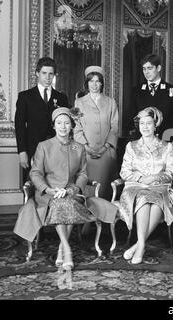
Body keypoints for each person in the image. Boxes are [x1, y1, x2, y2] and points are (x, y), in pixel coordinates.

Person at [13, 108, 115, 270]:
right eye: (59, 123)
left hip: (71, 193)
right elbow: (36, 173)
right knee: (60, 203)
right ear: (53, 126)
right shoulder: (44, 146)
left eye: (67, 123)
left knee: (66, 202)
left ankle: (62, 247)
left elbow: (83, 174)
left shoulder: (79, 148)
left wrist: (73, 189)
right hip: (48, 195)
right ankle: (67, 249)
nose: (63, 126)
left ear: (72, 126)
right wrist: (47, 190)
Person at [118, 107, 173, 264]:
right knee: (144, 199)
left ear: (156, 125)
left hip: (159, 187)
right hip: (135, 187)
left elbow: (172, 172)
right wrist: (141, 178)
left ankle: (138, 246)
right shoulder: (131, 146)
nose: (145, 127)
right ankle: (140, 247)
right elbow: (124, 172)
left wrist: (155, 177)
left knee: (155, 203)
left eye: (149, 123)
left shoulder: (166, 146)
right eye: (142, 123)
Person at [15, 57, 69, 181]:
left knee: (56, 187)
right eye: (44, 73)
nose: (47, 77)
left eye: (51, 74)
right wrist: (22, 151)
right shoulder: (25, 97)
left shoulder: (61, 98)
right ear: (37, 73)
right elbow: (19, 126)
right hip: (31, 150)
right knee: (32, 187)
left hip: (57, 150)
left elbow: (66, 125)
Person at [73, 66, 119, 200]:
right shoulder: (79, 102)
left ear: (102, 83)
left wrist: (105, 147)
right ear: (87, 83)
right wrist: (86, 147)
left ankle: (104, 219)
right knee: (88, 190)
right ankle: (88, 219)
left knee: (105, 190)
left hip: (106, 153)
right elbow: (76, 127)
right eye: (91, 81)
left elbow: (115, 127)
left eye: (97, 81)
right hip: (85, 153)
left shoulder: (111, 102)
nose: (94, 84)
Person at [130, 54, 173, 139]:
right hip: (143, 141)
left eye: (150, 68)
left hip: (165, 140)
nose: (146, 72)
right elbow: (132, 116)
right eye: (144, 69)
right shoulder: (137, 91)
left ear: (158, 68)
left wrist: (169, 138)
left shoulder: (172, 90)